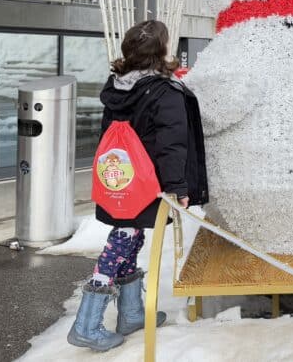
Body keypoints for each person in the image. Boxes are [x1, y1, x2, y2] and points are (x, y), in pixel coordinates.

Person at [68, 20, 207, 352]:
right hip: (149, 183)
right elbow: (172, 144)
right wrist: (179, 187)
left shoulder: (116, 88)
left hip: (121, 179)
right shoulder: (163, 91)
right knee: (124, 238)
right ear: (160, 51)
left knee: (131, 236)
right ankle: (86, 323)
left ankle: (130, 312)